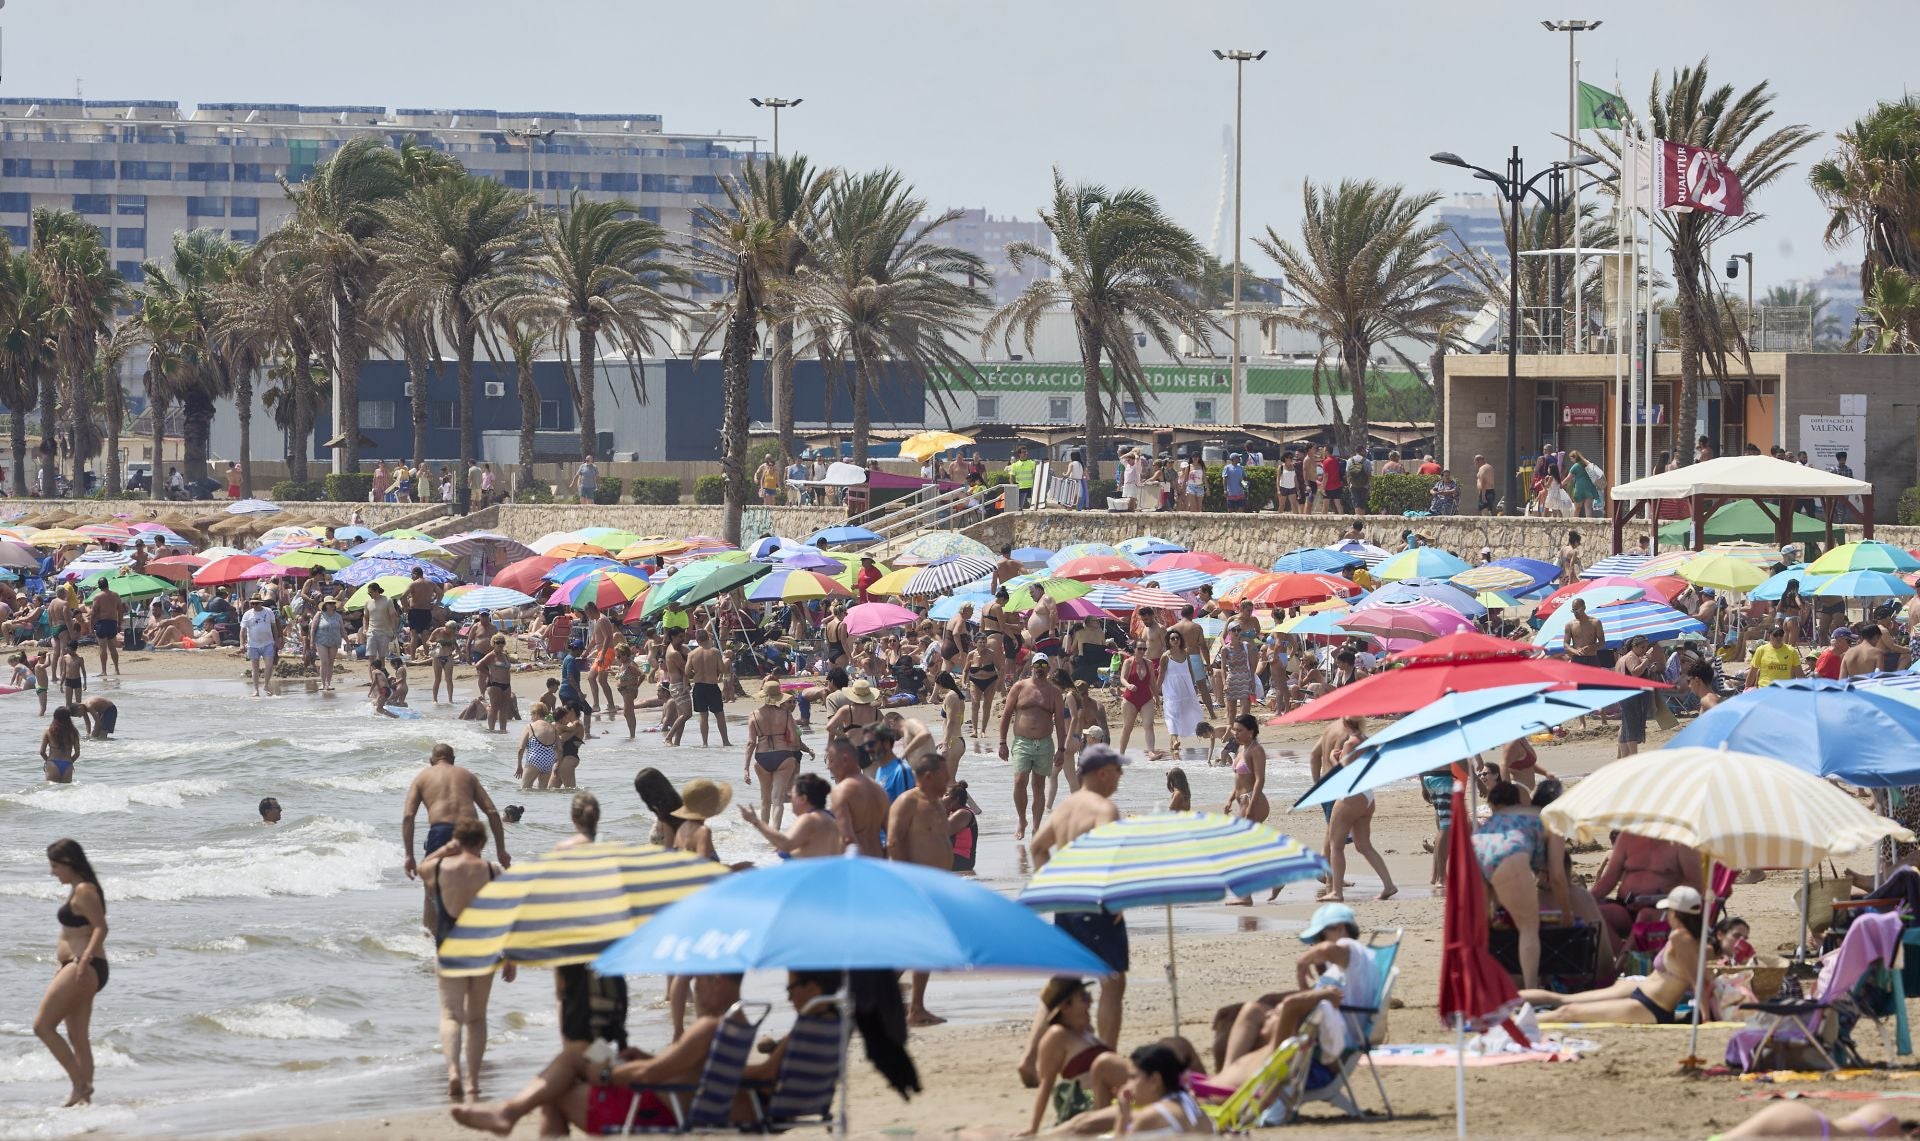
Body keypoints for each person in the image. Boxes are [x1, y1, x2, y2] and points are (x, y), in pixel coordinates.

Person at [449, 973, 746, 1136]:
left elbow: (649, 1075)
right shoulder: (739, 1021)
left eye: (699, 982)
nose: (695, 990)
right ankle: (509, 1112)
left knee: (558, 1091)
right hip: (675, 1101)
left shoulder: (708, 1026)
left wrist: (607, 1074)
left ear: (717, 982)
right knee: (581, 1053)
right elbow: (680, 1069)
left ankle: (509, 1112)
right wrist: (643, 1057)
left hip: (661, 1111)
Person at [1024, 745, 1128, 1084]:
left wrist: (1053, 884)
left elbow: (1037, 847)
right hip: (1095, 902)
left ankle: (1028, 1059)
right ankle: (1107, 1061)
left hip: (1066, 902)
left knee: (1063, 983)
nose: (1120, 776)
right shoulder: (1105, 809)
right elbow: (1110, 857)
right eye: (1117, 770)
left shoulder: (1064, 807)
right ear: (1101, 773)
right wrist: (1115, 898)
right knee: (1112, 982)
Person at [1211, 903, 1380, 1103]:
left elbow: (1328, 950)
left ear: (1341, 928)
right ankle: (1225, 1079)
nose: (1315, 945)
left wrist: (1303, 962)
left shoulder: (1355, 952)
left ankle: (1227, 1085)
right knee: (1251, 1010)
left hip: (1329, 1047)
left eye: (1318, 938)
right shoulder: (1342, 969)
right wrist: (1290, 991)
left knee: (1259, 1024)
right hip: (1318, 1029)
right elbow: (1318, 996)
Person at [420, 815, 514, 1101]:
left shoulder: (439, 867)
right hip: (483, 948)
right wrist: (509, 955)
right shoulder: (493, 870)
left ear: (457, 841)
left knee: (451, 1015)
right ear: (483, 843)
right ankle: (473, 1081)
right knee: (476, 1018)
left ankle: (453, 1074)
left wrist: (442, 850)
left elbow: (420, 870)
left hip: (450, 947)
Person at [1537, 886, 1707, 1025]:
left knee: (1568, 1011)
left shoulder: (1681, 938)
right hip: (1644, 995)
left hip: (1651, 1006)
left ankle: (1513, 1024)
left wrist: (1706, 1018)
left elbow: (1698, 982)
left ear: (1674, 912)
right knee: (1567, 1006)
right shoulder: (1691, 938)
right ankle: (1513, 1018)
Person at [1473, 781, 1570, 990]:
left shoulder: (1499, 817)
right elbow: (1558, 876)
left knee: (1484, 927)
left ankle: (1483, 986)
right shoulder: (1551, 820)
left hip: (1476, 845)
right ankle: (1531, 989)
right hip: (1510, 851)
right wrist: (1566, 913)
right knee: (1528, 926)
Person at [37, 838, 107, 1107]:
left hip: (84, 966)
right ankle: (84, 1103)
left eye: (55, 866)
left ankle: (80, 1085)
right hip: (78, 966)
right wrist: (63, 964)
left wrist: (83, 959)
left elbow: (101, 928)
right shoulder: (78, 888)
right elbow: (73, 932)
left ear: (69, 863)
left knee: (42, 1026)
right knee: (77, 1037)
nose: (52, 871)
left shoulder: (85, 890)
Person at [1026, 977, 1132, 1134]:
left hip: (1116, 1094)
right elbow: (1046, 1084)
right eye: (1084, 997)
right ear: (1065, 1006)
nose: (1091, 1001)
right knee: (1105, 1063)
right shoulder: (1057, 1035)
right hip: (1091, 1100)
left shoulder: (1086, 1034)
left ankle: (1157, 1084)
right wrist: (1033, 1127)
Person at [402, 744, 512, 889]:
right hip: (470, 833)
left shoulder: (422, 777)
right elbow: (492, 812)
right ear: (453, 760)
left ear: (431, 761)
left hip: (441, 831)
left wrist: (409, 855)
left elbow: (408, 816)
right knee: (470, 888)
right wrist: (501, 850)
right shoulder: (467, 775)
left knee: (433, 892)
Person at [1000, 652, 1068, 841]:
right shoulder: (1019, 687)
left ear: (1048, 669)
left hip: (1045, 744)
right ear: (1032, 667)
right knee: (1019, 781)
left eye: (1044, 666)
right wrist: (1002, 743)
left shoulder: (1054, 692)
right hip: (1022, 742)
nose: (1040, 669)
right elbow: (1006, 715)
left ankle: (1037, 826)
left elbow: (1061, 723)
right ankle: (1022, 820)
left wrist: (1061, 749)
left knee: (1039, 786)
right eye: (1037, 665)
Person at [743, 679, 810, 829]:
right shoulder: (786, 714)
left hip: (762, 757)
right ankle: (775, 837)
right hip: (783, 757)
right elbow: (794, 740)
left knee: (765, 800)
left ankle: (764, 835)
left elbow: (750, 743)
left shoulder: (754, 715)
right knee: (778, 800)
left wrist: (746, 768)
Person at [740, 772, 840, 859]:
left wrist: (756, 822)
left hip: (810, 877)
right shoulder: (829, 817)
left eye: (791, 794)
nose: (788, 797)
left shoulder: (810, 819)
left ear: (803, 798)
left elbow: (785, 844)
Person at [826, 734, 887, 856]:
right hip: (879, 858)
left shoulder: (841, 792)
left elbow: (848, 838)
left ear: (845, 760)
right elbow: (891, 832)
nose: (828, 766)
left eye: (831, 760)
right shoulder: (878, 789)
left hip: (858, 863)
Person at [685, 629, 730, 747]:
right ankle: (725, 741)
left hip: (699, 686)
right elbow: (722, 670)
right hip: (712, 686)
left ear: (697, 640)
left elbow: (687, 671)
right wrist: (725, 661)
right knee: (719, 714)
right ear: (708, 638)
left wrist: (697, 671)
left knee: (703, 716)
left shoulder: (692, 654)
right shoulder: (714, 652)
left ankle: (705, 743)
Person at [309, 597, 345, 691]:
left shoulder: (338, 616)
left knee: (331, 662)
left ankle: (328, 683)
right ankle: (323, 683)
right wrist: (312, 642)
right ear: (325, 605)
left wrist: (348, 642)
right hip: (321, 640)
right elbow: (313, 628)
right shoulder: (319, 614)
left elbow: (342, 629)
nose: (331, 605)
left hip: (334, 640)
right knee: (324, 661)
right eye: (329, 603)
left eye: (333, 603)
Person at [945, 781, 979, 873]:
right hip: (953, 857)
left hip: (961, 859)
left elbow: (941, 832)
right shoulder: (954, 812)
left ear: (956, 799)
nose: (944, 798)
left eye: (947, 796)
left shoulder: (963, 813)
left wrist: (942, 807)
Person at [42, 706, 80, 783]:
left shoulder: (49, 731)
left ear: (55, 717)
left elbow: (42, 752)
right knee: (65, 792)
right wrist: (70, 761)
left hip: (53, 764)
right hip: (67, 765)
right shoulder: (73, 732)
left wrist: (48, 761)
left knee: (51, 792)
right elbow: (77, 753)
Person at [89, 584, 122, 676]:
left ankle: (104, 671)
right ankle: (116, 669)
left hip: (102, 623)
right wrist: (119, 624)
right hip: (112, 623)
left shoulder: (98, 596)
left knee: (103, 648)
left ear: (99, 586)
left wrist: (91, 626)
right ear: (107, 585)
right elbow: (120, 610)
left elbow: (94, 612)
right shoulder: (116, 595)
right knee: (112, 648)